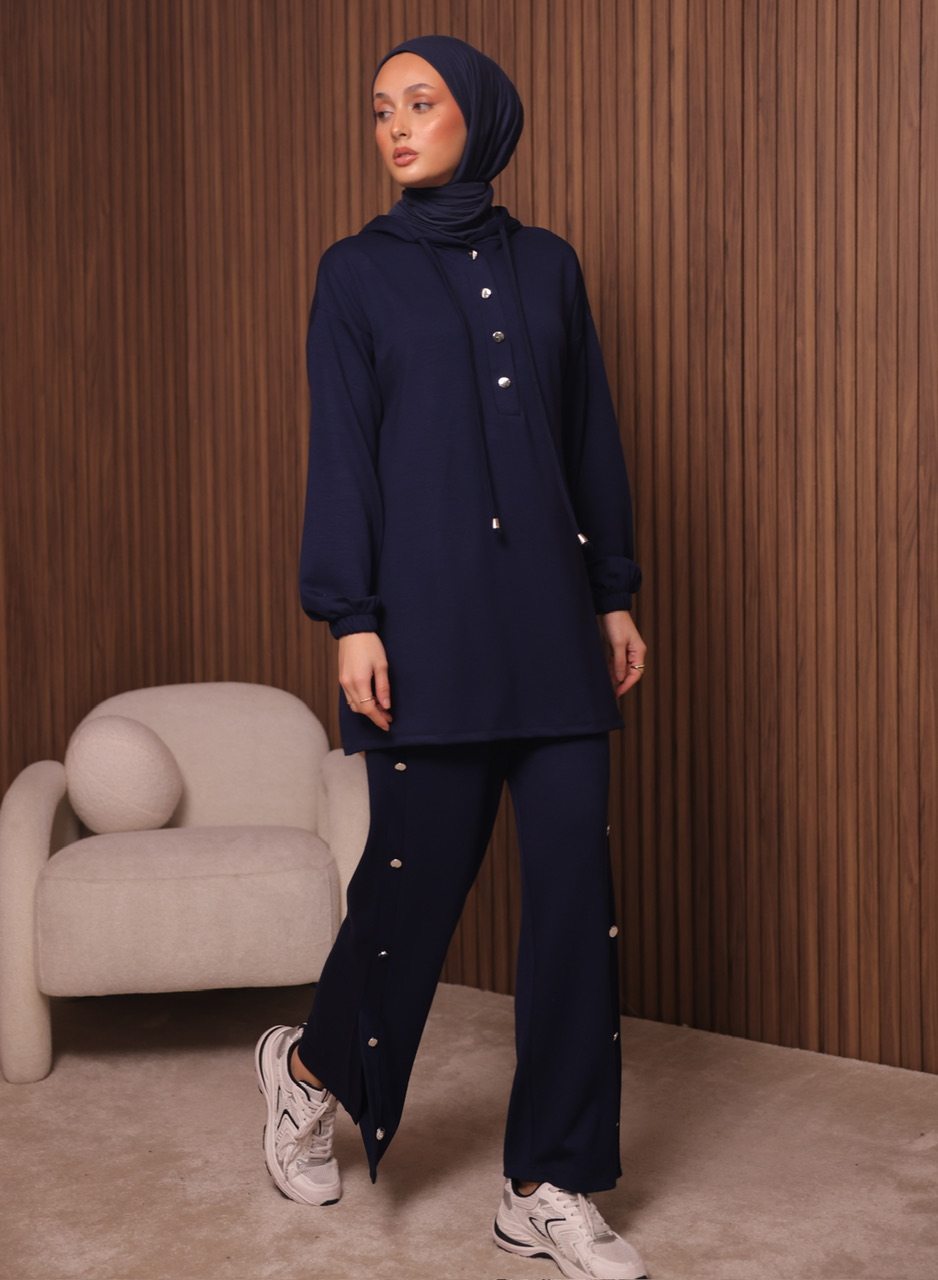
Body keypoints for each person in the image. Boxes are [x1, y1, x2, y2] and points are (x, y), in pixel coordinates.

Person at [255, 34, 648, 1280]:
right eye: (380, 109)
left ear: (478, 115)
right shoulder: (355, 274)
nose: (395, 126)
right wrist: (350, 614)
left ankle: (546, 1180)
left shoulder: (548, 266)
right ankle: (305, 1068)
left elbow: (587, 440)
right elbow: (343, 448)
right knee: (411, 895)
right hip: (422, 629)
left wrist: (611, 595)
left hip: (553, 627)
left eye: (419, 103)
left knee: (573, 908)